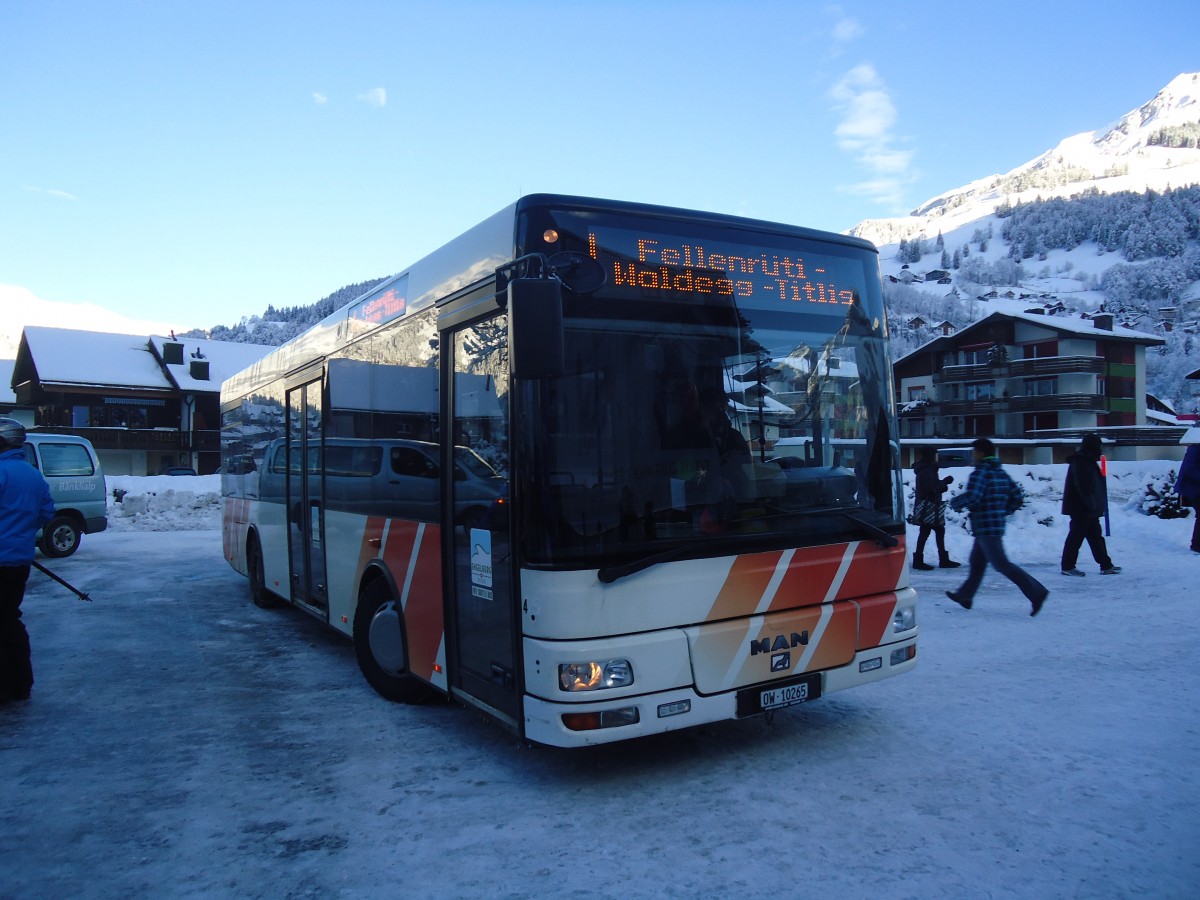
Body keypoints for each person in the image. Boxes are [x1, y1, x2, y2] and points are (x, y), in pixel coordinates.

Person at [946, 437, 1048, 617]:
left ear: (980, 453)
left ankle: (1037, 592)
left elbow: (974, 496)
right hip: (992, 526)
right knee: (977, 563)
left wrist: (954, 502)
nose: (973, 455)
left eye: (974, 451)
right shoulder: (1000, 473)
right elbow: (1017, 497)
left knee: (1002, 565)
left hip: (986, 527)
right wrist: (1001, 511)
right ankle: (965, 596)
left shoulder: (981, 473)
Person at [0, 417, 57, 703]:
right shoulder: (33, 475)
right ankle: (21, 683)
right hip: (19, 560)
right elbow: (47, 513)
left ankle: (6, 685)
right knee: (10, 619)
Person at [1060, 433, 1121, 576]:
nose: (1100, 448)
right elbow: (1083, 485)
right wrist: (1091, 504)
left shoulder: (1087, 460)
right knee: (1076, 537)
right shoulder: (1081, 461)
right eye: (1098, 445)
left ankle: (1106, 565)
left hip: (1087, 509)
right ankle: (1067, 566)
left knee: (1095, 537)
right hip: (1082, 508)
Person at [910, 446, 960, 570]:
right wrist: (945, 483)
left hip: (929, 506)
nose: (937, 457)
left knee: (931, 531)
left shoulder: (926, 468)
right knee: (929, 531)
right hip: (930, 506)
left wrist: (941, 484)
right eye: (935, 455)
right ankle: (936, 560)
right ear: (930, 456)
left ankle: (929, 559)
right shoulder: (927, 470)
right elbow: (931, 488)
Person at [1175, 439, 1200, 554]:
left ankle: (1196, 545)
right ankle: (1196, 545)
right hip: (1193, 489)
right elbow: (1190, 469)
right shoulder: (1195, 447)